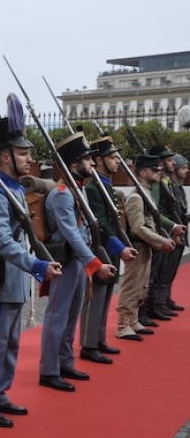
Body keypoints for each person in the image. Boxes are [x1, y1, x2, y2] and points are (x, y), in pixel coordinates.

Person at [0, 114, 61, 428]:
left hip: (16, 281)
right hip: (2, 281)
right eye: (23, 153)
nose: (29, 158)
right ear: (5, 156)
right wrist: (36, 264)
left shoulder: (15, 190)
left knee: (9, 343)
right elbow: (0, 242)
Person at [39, 132, 116, 392]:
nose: (93, 164)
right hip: (66, 261)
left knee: (71, 316)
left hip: (78, 261)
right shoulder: (62, 194)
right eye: (87, 160)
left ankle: (65, 362)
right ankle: (49, 370)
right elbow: (71, 233)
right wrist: (94, 263)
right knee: (57, 316)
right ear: (74, 165)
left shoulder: (76, 190)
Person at [79, 136, 137, 364]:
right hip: (100, 250)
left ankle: (98, 339)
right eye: (113, 158)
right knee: (95, 299)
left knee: (105, 298)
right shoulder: (94, 187)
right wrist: (119, 248)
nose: (117, 162)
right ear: (99, 160)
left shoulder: (106, 185)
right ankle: (88, 343)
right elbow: (100, 224)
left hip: (111, 249)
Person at [115, 154, 178, 341]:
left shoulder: (147, 192)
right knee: (132, 286)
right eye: (154, 170)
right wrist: (161, 241)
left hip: (146, 246)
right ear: (142, 172)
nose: (158, 172)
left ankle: (133, 320)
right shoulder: (136, 197)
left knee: (142, 286)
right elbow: (137, 227)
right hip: (138, 245)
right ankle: (122, 324)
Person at [146, 144, 187, 320]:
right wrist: (171, 229)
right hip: (164, 233)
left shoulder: (167, 183)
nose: (171, 163)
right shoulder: (158, 184)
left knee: (167, 271)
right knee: (158, 273)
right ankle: (154, 305)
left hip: (171, 230)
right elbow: (158, 211)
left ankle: (161, 302)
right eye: (169, 160)